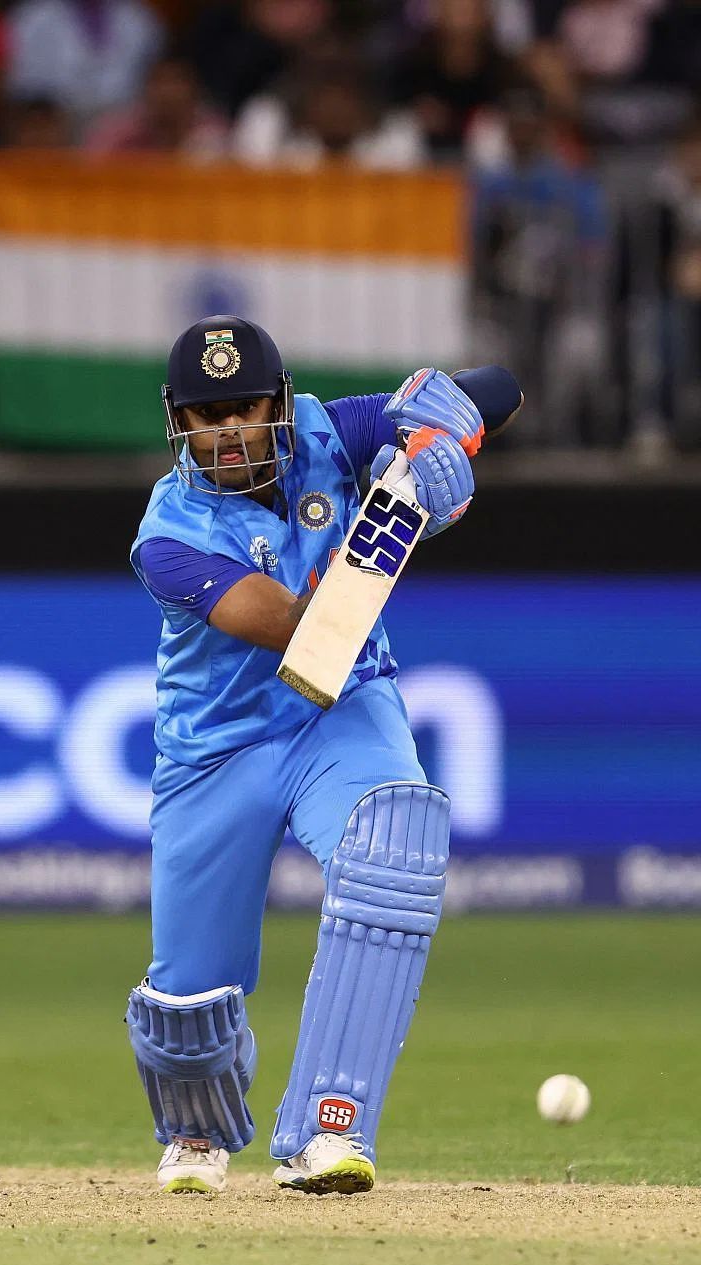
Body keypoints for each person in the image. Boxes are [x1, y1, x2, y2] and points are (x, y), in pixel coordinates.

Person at [126, 315, 505, 1195]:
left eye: (246, 407)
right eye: (205, 414)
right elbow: (297, 629)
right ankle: (195, 1136)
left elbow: (500, 388)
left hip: (340, 716)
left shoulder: (334, 430)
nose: (228, 430)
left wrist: (438, 442)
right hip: (216, 753)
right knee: (187, 1008)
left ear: (280, 405)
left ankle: (331, 1128)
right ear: (178, 424)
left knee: (394, 843)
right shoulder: (167, 536)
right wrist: (399, 517)